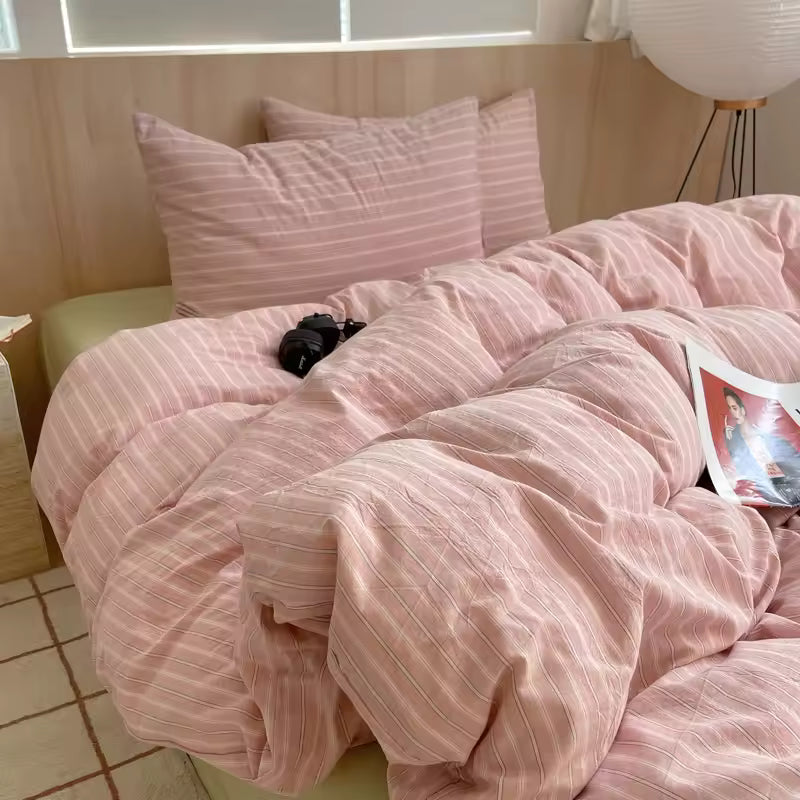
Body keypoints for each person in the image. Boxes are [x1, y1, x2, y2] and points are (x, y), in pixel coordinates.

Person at [723, 387, 800, 506]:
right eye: (729, 409)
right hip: (769, 491)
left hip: (788, 481)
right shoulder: (732, 440)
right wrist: (730, 441)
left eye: (734, 408)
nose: (733, 413)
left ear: (743, 409)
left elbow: (793, 459)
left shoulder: (768, 436)